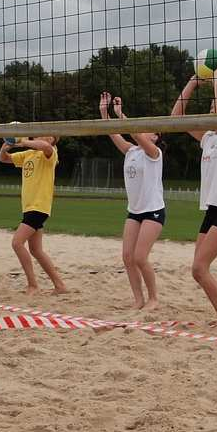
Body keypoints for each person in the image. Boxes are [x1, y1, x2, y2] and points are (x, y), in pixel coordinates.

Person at [172, 64, 217, 329]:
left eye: (214, 109)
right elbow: (175, 117)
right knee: (200, 270)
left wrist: (215, 77)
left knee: (199, 269)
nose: (212, 112)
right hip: (212, 209)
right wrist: (193, 81)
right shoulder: (208, 138)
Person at [98, 92, 165, 311]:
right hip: (135, 211)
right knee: (127, 257)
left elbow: (136, 134)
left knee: (140, 257)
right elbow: (113, 134)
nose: (144, 131)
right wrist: (104, 112)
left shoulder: (154, 153)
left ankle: (154, 298)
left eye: (149, 130)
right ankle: (138, 299)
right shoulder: (131, 151)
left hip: (153, 211)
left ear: (155, 137)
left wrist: (121, 114)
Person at [0, 135, 67, 295]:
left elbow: (46, 147)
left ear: (52, 140)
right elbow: (3, 158)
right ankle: (60, 285)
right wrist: (7, 144)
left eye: (47, 135)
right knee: (36, 250)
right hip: (29, 207)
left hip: (39, 207)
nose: (41, 135)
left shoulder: (50, 153)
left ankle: (33, 285)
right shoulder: (29, 154)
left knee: (17, 243)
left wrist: (22, 142)